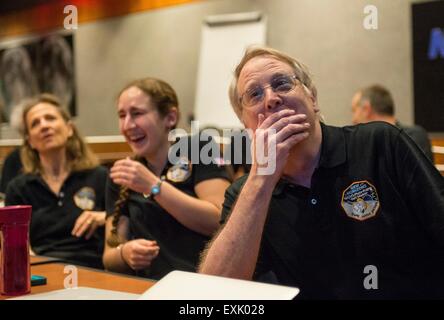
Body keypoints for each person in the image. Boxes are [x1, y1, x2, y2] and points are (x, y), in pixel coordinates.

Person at [199, 46, 444, 299]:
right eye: (254, 94)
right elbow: (215, 295)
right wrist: (261, 179)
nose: (271, 98)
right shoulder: (244, 195)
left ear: (312, 98)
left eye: (282, 83)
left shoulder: (380, 144)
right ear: (246, 123)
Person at [102, 78, 231, 280]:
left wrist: (154, 186)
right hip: (150, 287)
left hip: (203, 285)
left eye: (137, 113)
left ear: (170, 117)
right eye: (121, 115)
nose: (127, 125)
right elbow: (109, 257)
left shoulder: (199, 148)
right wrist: (125, 253)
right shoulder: (123, 174)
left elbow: (221, 221)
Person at [5, 93, 107, 269]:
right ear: (30, 141)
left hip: (94, 270)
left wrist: (104, 217)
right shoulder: (19, 188)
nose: (44, 125)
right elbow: (16, 248)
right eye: (35, 123)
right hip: (43, 271)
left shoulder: (100, 176)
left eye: (50, 118)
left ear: (69, 129)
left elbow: (122, 224)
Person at [351, 84, 434, 162]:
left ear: (366, 109)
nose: (353, 120)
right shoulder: (363, 143)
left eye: (354, 110)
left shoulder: (413, 136)